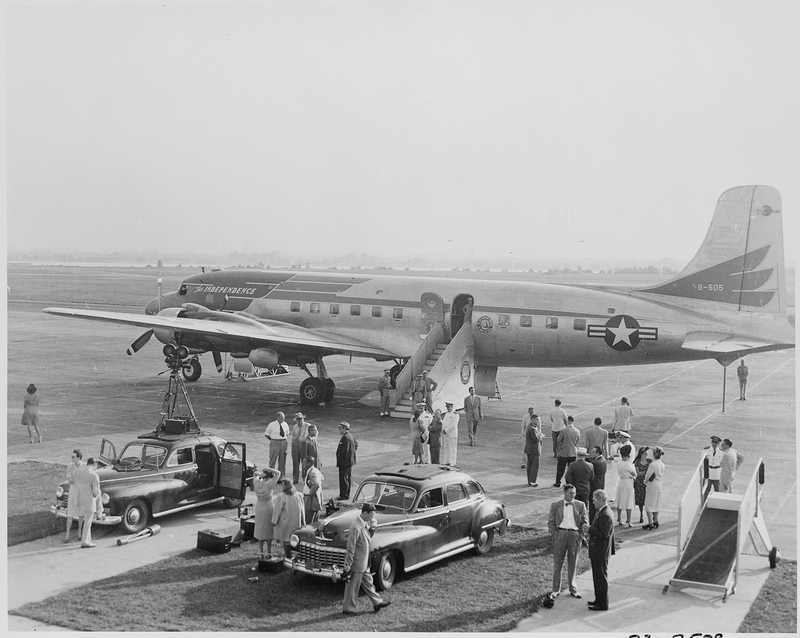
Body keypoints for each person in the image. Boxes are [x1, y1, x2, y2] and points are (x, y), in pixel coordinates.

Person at [342, 503, 391, 615]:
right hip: (357, 563)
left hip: (364, 563)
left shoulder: (364, 524)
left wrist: (373, 527)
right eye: (370, 516)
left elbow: (368, 537)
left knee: (369, 583)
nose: (372, 518)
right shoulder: (356, 527)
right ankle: (348, 608)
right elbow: (351, 547)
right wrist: (347, 565)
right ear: (364, 513)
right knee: (353, 586)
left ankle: (377, 602)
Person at [547, 484, 588, 599]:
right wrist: (555, 535)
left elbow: (585, 522)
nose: (573, 495)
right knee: (557, 563)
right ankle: (555, 589)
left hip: (574, 535)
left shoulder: (581, 505)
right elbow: (551, 522)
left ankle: (573, 589)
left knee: (573, 562)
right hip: (560, 534)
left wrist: (580, 536)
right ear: (564, 493)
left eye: (574, 493)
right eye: (570, 493)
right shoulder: (556, 505)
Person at [587, 489, 615, 611]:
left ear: (600, 500)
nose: (593, 503)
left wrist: (589, 529)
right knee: (597, 577)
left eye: (594, 500)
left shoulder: (605, 514)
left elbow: (603, 533)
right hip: (598, 550)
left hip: (600, 551)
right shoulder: (602, 511)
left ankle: (603, 603)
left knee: (601, 578)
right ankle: (598, 599)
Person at [271, 478, 305, 558]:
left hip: (285, 521)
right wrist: (303, 521)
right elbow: (302, 509)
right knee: (294, 539)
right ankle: (295, 556)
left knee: (286, 540)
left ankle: (288, 556)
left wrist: (274, 521)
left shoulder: (281, 496)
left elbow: (277, 509)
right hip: (296, 521)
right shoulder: (299, 495)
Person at [253, 467, 281, 557]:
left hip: (259, 506)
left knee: (260, 529)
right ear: (269, 477)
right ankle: (269, 551)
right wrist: (268, 469)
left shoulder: (256, 482)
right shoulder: (269, 484)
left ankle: (261, 552)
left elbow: (255, 474)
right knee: (268, 530)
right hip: (268, 506)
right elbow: (278, 473)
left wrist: (260, 474)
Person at [73, 457, 100, 548]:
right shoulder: (94, 475)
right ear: (94, 465)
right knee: (88, 522)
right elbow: (95, 492)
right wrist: (98, 494)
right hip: (89, 501)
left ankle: (87, 540)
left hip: (79, 499)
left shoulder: (78, 471)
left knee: (85, 521)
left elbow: (76, 483)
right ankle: (85, 541)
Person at [64, 449, 85, 543]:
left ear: (79, 458)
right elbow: (69, 480)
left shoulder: (84, 466)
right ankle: (67, 535)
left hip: (81, 491)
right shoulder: (70, 466)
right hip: (73, 491)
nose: (71, 459)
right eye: (71, 457)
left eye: (73, 457)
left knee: (81, 513)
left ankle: (79, 533)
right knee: (70, 513)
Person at [554, 416, 580, 487]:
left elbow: (558, 440)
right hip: (573, 452)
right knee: (571, 469)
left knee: (560, 468)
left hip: (564, 452)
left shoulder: (564, 430)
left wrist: (560, 447)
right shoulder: (577, 431)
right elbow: (577, 442)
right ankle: (569, 483)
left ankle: (558, 482)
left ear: (568, 421)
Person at [643, 447, 665, 530]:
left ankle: (650, 522)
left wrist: (645, 481)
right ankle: (656, 520)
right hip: (659, 484)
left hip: (652, 484)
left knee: (648, 504)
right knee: (656, 502)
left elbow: (648, 475)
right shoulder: (662, 464)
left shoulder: (653, 464)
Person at [615, 445, 636, 527]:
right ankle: (628, 520)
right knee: (629, 500)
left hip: (621, 481)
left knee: (620, 499)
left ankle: (619, 518)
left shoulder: (619, 462)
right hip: (628, 482)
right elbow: (634, 473)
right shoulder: (628, 464)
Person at [336, 421, 358, 500]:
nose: (339, 430)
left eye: (340, 429)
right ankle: (346, 494)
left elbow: (344, 451)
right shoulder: (351, 436)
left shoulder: (345, 437)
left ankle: (344, 495)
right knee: (347, 477)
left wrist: (343, 459)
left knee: (343, 478)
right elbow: (356, 445)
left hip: (344, 462)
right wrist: (351, 455)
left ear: (344, 429)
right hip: (349, 461)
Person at [264, 411, 289, 477]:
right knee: (273, 459)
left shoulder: (285, 424)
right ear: (277, 417)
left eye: (284, 418)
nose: (283, 419)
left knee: (282, 460)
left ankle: (281, 477)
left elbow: (287, 433)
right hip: (274, 442)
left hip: (283, 442)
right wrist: (273, 440)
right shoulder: (271, 425)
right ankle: (270, 475)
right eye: (282, 418)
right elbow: (266, 434)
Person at [302, 456, 324, 524]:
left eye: (304, 463)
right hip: (315, 500)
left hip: (310, 500)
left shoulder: (312, 473)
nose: (302, 464)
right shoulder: (316, 470)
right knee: (315, 522)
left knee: (309, 522)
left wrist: (310, 493)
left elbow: (316, 485)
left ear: (309, 463)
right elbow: (322, 479)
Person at [588, 446, 607, 523]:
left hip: (594, 486)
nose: (591, 453)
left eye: (593, 452)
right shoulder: (603, 460)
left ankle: (592, 522)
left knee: (593, 506)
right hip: (601, 484)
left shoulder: (595, 463)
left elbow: (591, 475)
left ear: (597, 453)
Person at [632, 446, 651, 524]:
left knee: (648, 499)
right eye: (645, 454)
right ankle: (641, 515)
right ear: (641, 454)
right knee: (640, 500)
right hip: (640, 482)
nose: (646, 455)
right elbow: (638, 473)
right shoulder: (637, 462)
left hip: (647, 482)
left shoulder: (649, 461)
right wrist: (646, 472)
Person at [524, 413, 543, 486]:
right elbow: (536, 439)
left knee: (530, 465)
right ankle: (532, 481)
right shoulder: (532, 428)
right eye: (536, 419)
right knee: (534, 466)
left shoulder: (531, 427)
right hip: (534, 449)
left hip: (530, 449)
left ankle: (530, 480)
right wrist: (540, 436)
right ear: (532, 419)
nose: (538, 421)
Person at [290, 412, 309, 484]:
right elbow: (293, 436)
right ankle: (295, 478)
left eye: (301, 419)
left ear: (303, 419)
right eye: (298, 420)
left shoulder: (307, 425)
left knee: (304, 462)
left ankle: (305, 478)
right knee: (295, 462)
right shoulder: (295, 427)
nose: (299, 421)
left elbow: (315, 434)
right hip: (295, 445)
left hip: (304, 445)